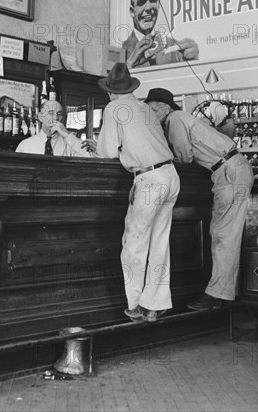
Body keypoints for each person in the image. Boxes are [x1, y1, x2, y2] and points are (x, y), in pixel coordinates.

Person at [85, 63, 180, 323]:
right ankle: (155, 305)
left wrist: (96, 146)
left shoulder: (114, 107)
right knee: (160, 242)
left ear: (110, 92)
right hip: (170, 175)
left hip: (149, 179)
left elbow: (106, 153)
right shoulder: (144, 108)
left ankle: (135, 305)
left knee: (135, 243)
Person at [144, 87, 253, 310]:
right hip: (231, 170)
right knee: (223, 234)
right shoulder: (178, 118)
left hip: (228, 173)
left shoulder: (174, 119)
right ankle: (224, 292)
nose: (150, 115)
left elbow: (184, 156)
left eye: (152, 110)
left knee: (224, 236)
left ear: (162, 108)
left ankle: (217, 296)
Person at [122, 0, 199, 69]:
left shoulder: (174, 47)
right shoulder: (121, 51)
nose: (148, 7)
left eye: (153, 0)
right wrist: (129, 65)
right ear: (131, 11)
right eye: (141, 2)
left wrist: (193, 64)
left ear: (159, 4)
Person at [15, 99, 93, 157]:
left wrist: (67, 134)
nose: (55, 118)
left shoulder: (70, 145)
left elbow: (91, 158)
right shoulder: (25, 146)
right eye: (51, 113)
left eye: (59, 114)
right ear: (40, 117)